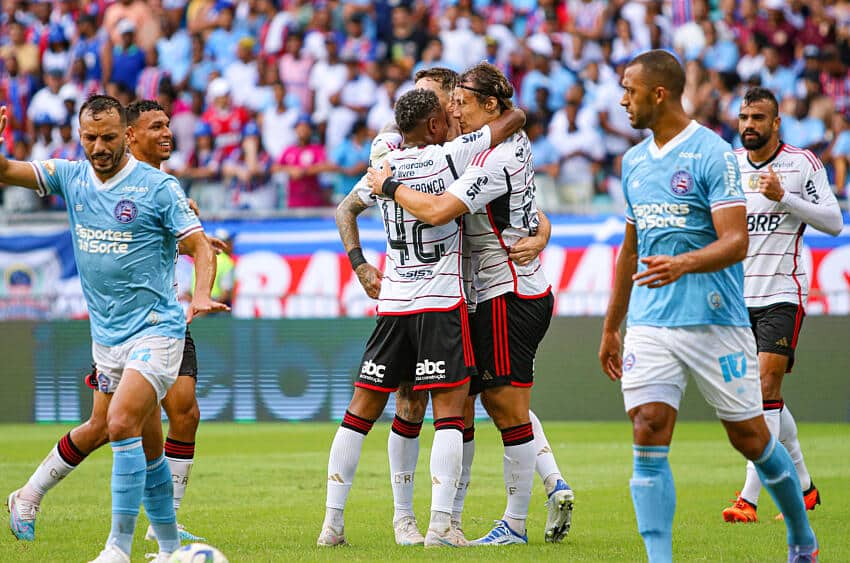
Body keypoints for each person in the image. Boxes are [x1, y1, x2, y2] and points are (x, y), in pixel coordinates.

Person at [596, 50, 817, 563]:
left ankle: (802, 538)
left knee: (751, 437)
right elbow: (630, 251)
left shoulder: (713, 154)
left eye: (629, 89)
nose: (621, 99)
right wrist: (612, 327)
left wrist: (683, 264)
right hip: (652, 322)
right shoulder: (632, 162)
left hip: (715, 320)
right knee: (648, 425)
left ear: (659, 93)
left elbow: (736, 241)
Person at [0, 95, 227, 563]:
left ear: (124, 135)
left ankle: (116, 548)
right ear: (80, 135)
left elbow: (201, 247)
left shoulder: (157, 187)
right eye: (89, 138)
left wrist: (201, 294)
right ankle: (167, 547)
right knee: (138, 438)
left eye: (107, 138)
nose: (98, 147)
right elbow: (6, 172)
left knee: (126, 421)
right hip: (107, 338)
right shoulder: (71, 176)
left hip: (157, 329)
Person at [366, 62, 569, 546]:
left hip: (505, 291)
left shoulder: (489, 157)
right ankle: (459, 517)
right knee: (478, 400)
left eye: (457, 101)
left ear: (487, 106)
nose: (451, 111)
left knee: (504, 404)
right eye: (446, 103)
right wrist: (541, 231)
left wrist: (390, 187)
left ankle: (513, 524)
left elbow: (439, 209)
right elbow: (527, 206)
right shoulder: (455, 144)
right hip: (486, 290)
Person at [320, 87, 525, 548]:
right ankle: (440, 527)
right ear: (434, 126)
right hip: (440, 304)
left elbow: (346, 208)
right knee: (451, 414)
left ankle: (331, 524)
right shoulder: (450, 156)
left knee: (359, 413)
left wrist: (359, 262)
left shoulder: (384, 167)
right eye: (445, 116)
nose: (453, 119)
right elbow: (512, 119)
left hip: (393, 304)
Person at [722, 87, 842, 523]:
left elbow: (833, 222)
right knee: (766, 399)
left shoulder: (801, 164)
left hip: (782, 295)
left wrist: (785, 198)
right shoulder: (729, 167)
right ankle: (806, 489)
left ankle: (748, 499)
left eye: (758, 117)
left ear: (776, 123)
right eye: (743, 117)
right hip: (738, 299)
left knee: (764, 392)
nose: (749, 125)